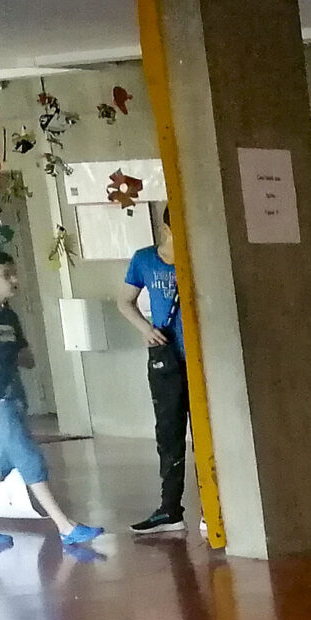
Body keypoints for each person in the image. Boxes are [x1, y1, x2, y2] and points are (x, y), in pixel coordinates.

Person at [0, 251, 101, 547]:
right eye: (5, 275)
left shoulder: (9, 316)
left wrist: (15, 355)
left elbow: (27, 357)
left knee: (0, 461)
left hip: (15, 392)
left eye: (14, 273)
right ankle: (65, 525)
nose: (14, 280)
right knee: (29, 459)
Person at [121, 204, 191, 534]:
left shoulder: (197, 257)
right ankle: (169, 509)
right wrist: (146, 329)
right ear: (165, 230)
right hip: (166, 357)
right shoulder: (145, 259)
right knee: (169, 433)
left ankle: (215, 508)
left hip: (200, 356)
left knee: (209, 434)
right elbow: (124, 301)